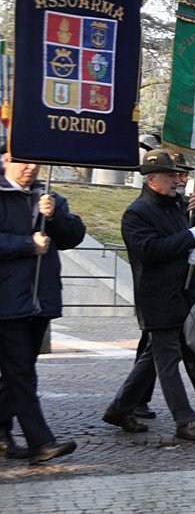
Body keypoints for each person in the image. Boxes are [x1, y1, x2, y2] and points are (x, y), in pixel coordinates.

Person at [105, 149, 195, 441]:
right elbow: (149, 251)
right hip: (157, 299)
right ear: (151, 178)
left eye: (178, 175)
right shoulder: (137, 212)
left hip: (184, 294)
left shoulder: (179, 205)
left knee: (179, 356)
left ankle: (120, 408)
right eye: (171, 176)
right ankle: (185, 420)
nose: (177, 180)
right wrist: (187, 239)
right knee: (168, 361)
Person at [0, 150, 84, 464]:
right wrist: (26, 245)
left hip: (40, 301)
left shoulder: (48, 197)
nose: (31, 168)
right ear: (7, 159)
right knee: (21, 373)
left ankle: (1, 432)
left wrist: (56, 217)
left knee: (17, 373)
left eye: (36, 162)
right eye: (24, 161)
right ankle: (40, 442)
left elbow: (74, 235)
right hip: (7, 300)